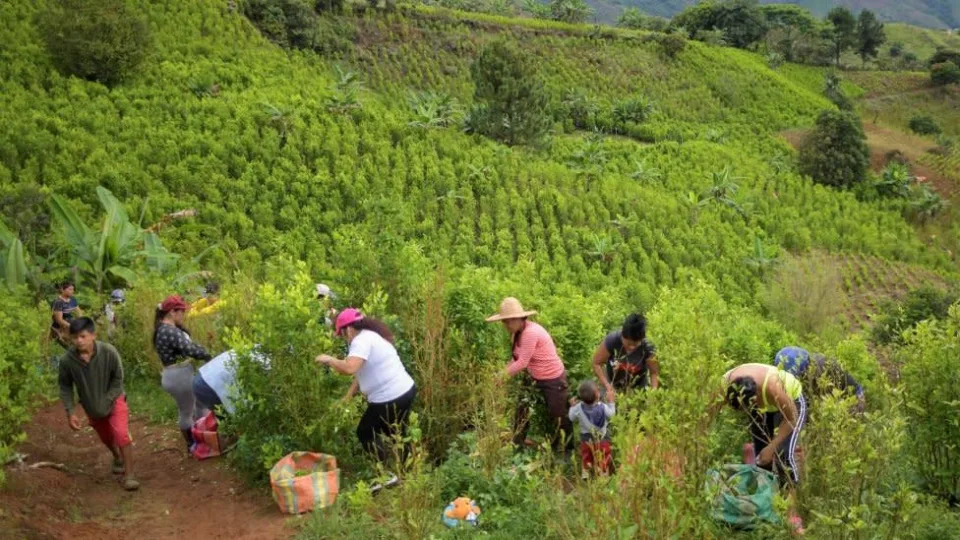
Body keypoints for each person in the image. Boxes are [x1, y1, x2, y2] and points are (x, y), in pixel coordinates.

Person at [315, 308, 416, 493]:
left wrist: (329, 359)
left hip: (390, 396)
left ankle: (385, 475)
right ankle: (407, 475)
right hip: (405, 390)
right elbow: (361, 372)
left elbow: (350, 368)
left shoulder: (360, 341)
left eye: (342, 334)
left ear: (348, 329)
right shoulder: (371, 336)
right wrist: (348, 396)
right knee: (397, 431)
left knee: (365, 431)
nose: (344, 338)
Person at [718, 363, 806, 532]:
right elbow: (707, 415)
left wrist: (772, 446)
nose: (749, 410)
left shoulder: (774, 387)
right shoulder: (724, 385)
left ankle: (792, 513)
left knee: (784, 454)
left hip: (791, 404)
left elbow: (791, 419)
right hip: (764, 400)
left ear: (757, 394)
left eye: (751, 405)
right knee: (761, 451)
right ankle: (765, 503)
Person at [58, 317, 139, 491]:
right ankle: (116, 456)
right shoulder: (67, 361)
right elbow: (65, 386)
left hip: (114, 398)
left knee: (121, 433)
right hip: (92, 405)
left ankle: (130, 475)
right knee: (106, 437)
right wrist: (70, 412)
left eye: (83, 336)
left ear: (93, 335)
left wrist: (109, 399)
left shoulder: (109, 352)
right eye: (75, 337)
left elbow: (118, 379)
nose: (79, 341)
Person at [486, 297, 574, 453]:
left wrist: (501, 377)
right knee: (522, 408)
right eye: (504, 321)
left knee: (558, 413)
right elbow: (515, 359)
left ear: (519, 318)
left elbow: (522, 363)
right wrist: (501, 374)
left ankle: (568, 449)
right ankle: (518, 442)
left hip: (552, 377)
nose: (505, 325)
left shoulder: (530, 333)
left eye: (508, 321)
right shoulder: (517, 334)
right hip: (534, 376)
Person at [154, 295, 212, 451]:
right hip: (178, 375)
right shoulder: (169, 331)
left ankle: (203, 437)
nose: (183, 315)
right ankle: (193, 445)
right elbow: (189, 349)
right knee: (186, 411)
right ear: (172, 312)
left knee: (200, 402)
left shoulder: (164, 329)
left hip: (175, 373)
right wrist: (208, 355)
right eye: (181, 312)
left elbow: (187, 346)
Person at [774, 346, 865, 413]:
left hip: (844, 401)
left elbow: (855, 389)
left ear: (806, 368)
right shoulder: (782, 376)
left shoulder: (828, 366)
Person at [592, 313, 659, 401]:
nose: (631, 347)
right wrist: (607, 385)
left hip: (638, 387)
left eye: (635, 344)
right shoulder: (613, 340)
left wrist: (652, 394)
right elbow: (596, 363)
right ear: (622, 336)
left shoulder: (648, 347)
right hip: (612, 383)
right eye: (628, 343)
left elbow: (654, 373)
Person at [193, 348, 270, 416]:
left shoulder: (256, 348)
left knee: (223, 419)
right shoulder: (266, 360)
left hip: (202, 376)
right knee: (233, 421)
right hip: (210, 384)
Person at [568, 380, 615, 478]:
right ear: (597, 395)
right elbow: (611, 415)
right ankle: (603, 474)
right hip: (602, 438)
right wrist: (611, 402)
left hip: (586, 439)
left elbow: (571, 418)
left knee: (587, 456)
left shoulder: (578, 408)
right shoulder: (603, 407)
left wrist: (572, 407)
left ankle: (586, 474)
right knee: (603, 455)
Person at [51, 281, 81, 347]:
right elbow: (59, 320)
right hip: (60, 325)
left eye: (73, 289)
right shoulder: (58, 302)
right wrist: (71, 326)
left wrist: (82, 322)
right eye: (70, 289)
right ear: (62, 290)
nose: (72, 291)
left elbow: (79, 312)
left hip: (69, 320)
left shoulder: (73, 299)